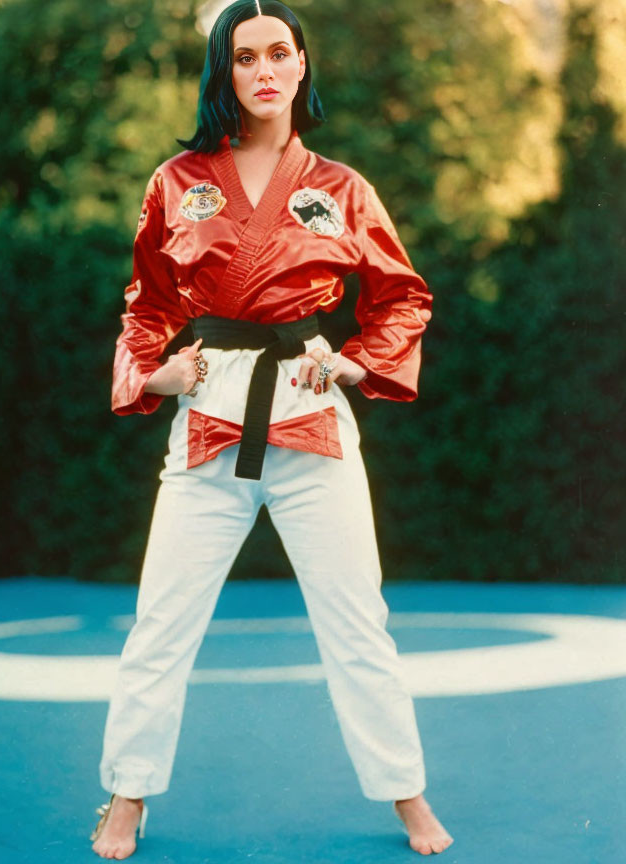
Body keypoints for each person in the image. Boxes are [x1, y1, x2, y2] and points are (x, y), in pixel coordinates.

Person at [90, 0, 453, 858]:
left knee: (357, 618)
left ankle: (408, 793)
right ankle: (126, 796)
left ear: (300, 67)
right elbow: (147, 304)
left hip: (310, 412)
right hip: (210, 415)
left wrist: (362, 362)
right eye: (243, 55)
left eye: (277, 53)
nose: (262, 69)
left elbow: (403, 297)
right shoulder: (178, 181)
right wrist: (153, 374)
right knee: (162, 619)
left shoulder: (342, 189)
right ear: (225, 71)